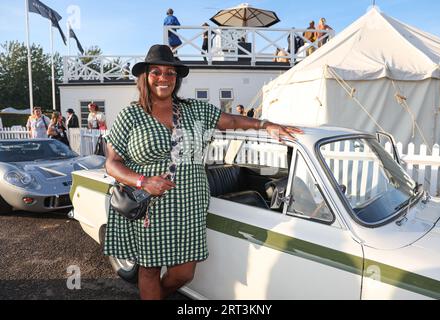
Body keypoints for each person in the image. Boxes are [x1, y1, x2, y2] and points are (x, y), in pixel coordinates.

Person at [104, 44, 303, 300]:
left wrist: (265, 124)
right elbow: (111, 163)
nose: (163, 78)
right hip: (150, 206)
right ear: (145, 77)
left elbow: (231, 121)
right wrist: (143, 181)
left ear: (177, 79)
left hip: (190, 207)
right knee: (150, 270)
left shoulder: (195, 110)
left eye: (170, 73)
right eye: (156, 72)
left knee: (184, 273)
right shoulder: (130, 115)